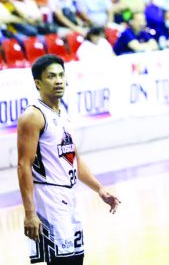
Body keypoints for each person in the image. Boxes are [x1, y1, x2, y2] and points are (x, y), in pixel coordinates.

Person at [16, 55, 121, 264]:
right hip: (48, 201)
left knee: (76, 260)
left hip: (69, 198)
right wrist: (30, 213)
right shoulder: (33, 116)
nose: (58, 80)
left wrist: (99, 189)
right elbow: (23, 165)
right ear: (38, 83)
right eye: (51, 76)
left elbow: (73, 158)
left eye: (61, 75)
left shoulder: (62, 112)